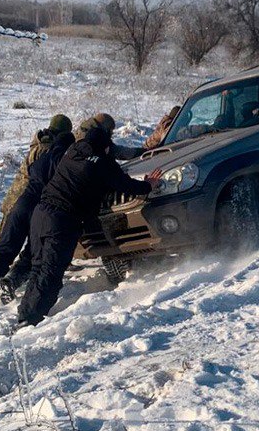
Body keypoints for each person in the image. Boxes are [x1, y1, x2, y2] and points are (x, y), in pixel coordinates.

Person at [17, 118, 162, 327]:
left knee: (38, 267)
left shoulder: (72, 152)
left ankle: (25, 314)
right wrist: (148, 185)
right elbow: (126, 185)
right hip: (62, 220)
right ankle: (31, 320)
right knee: (51, 272)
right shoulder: (103, 162)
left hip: (40, 214)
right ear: (106, 147)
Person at [0, 114, 72, 289]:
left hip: (19, 199)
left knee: (5, 243)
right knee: (9, 243)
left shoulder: (40, 141)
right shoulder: (47, 148)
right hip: (27, 200)